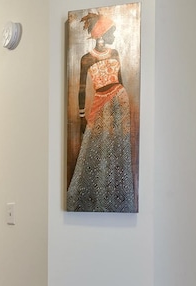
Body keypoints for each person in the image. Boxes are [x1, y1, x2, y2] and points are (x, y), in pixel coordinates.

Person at [67, 12, 136, 212]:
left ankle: (116, 199)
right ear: (101, 33)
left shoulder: (115, 53)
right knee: (96, 149)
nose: (113, 36)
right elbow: (81, 89)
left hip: (119, 102)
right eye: (111, 32)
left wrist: (124, 109)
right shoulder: (86, 59)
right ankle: (97, 200)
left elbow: (120, 80)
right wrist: (81, 116)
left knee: (117, 149)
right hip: (100, 103)